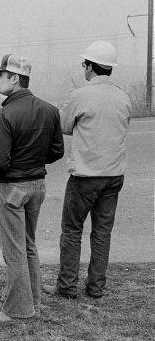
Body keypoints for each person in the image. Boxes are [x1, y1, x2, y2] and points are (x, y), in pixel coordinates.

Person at [43, 41, 131, 300]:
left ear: (90, 67)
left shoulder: (80, 96)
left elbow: (65, 126)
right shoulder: (123, 97)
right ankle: (95, 288)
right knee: (102, 233)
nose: (83, 67)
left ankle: (67, 286)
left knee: (72, 231)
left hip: (85, 176)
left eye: (84, 63)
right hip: (114, 176)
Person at [0, 54, 64, 323]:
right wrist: (32, 160)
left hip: (12, 188)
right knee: (29, 245)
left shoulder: (3, 115)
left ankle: (18, 310)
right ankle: (34, 302)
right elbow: (56, 151)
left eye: (1, 75)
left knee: (14, 250)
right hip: (37, 185)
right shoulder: (50, 110)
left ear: (15, 78)